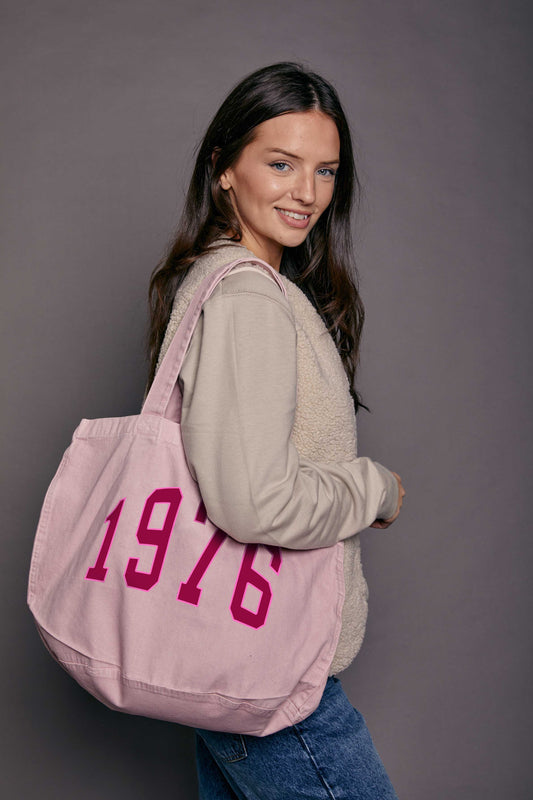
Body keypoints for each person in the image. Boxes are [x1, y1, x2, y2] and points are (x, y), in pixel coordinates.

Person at [147, 62, 405, 800]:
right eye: (280, 163)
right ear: (224, 169)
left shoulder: (215, 281)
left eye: (325, 170)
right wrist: (373, 489)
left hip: (234, 654)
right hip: (271, 670)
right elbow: (252, 502)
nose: (306, 192)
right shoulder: (248, 300)